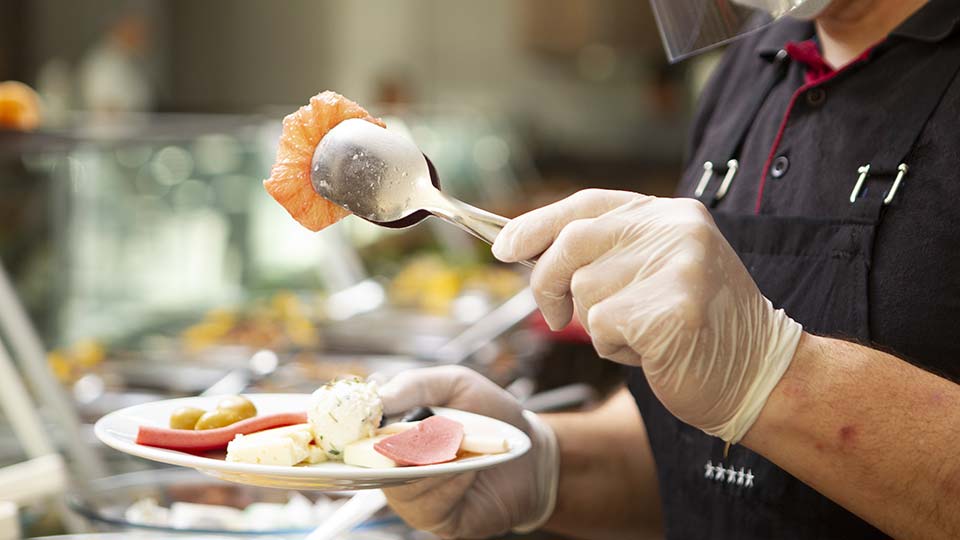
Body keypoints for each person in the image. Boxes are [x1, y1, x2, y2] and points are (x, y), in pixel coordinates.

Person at [378, 0, 960, 538]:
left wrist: (776, 376)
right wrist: (543, 462)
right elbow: (699, 453)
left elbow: (747, 383)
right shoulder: (752, 68)